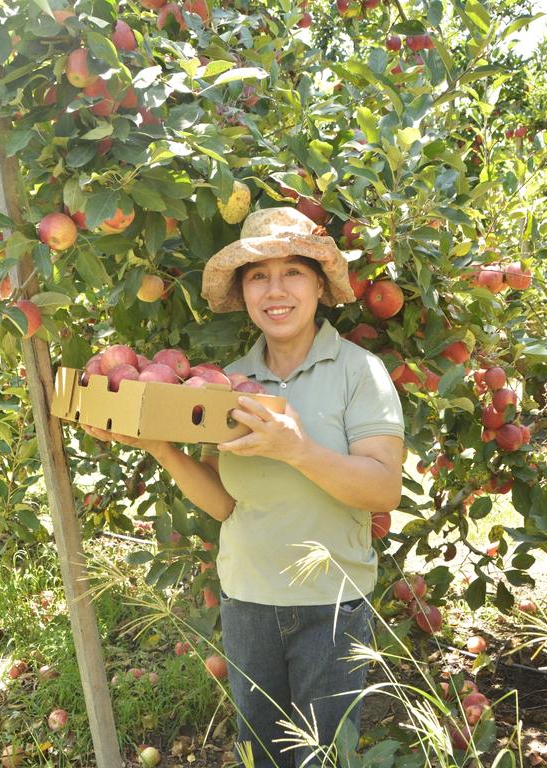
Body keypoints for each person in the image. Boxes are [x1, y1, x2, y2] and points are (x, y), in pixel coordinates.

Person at [83, 206, 404, 768]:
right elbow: (226, 504)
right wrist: (159, 445)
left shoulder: (359, 372)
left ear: (319, 286)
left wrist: (297, 450)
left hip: (331, 605)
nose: (275, 290)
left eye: (292, 273)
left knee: (326, 758)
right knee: (261, 753)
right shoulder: (227, 383)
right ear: (243, 290)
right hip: (248, 603)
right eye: (258, 275)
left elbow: (382, 491)